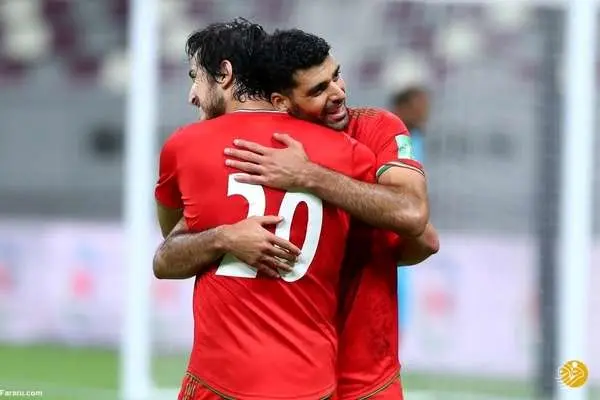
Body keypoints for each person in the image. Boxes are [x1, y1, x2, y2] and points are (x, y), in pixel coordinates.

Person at [155, 28, 439, 399]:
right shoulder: (259, 152)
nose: (338, 93)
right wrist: (226, 237)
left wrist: (310, 176)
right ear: (282, 102)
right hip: (308, 372)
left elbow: (418, 225)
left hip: (361, 369)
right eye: (318, 90)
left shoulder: (374, 128)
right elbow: (169, 254)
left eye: (336, 76)